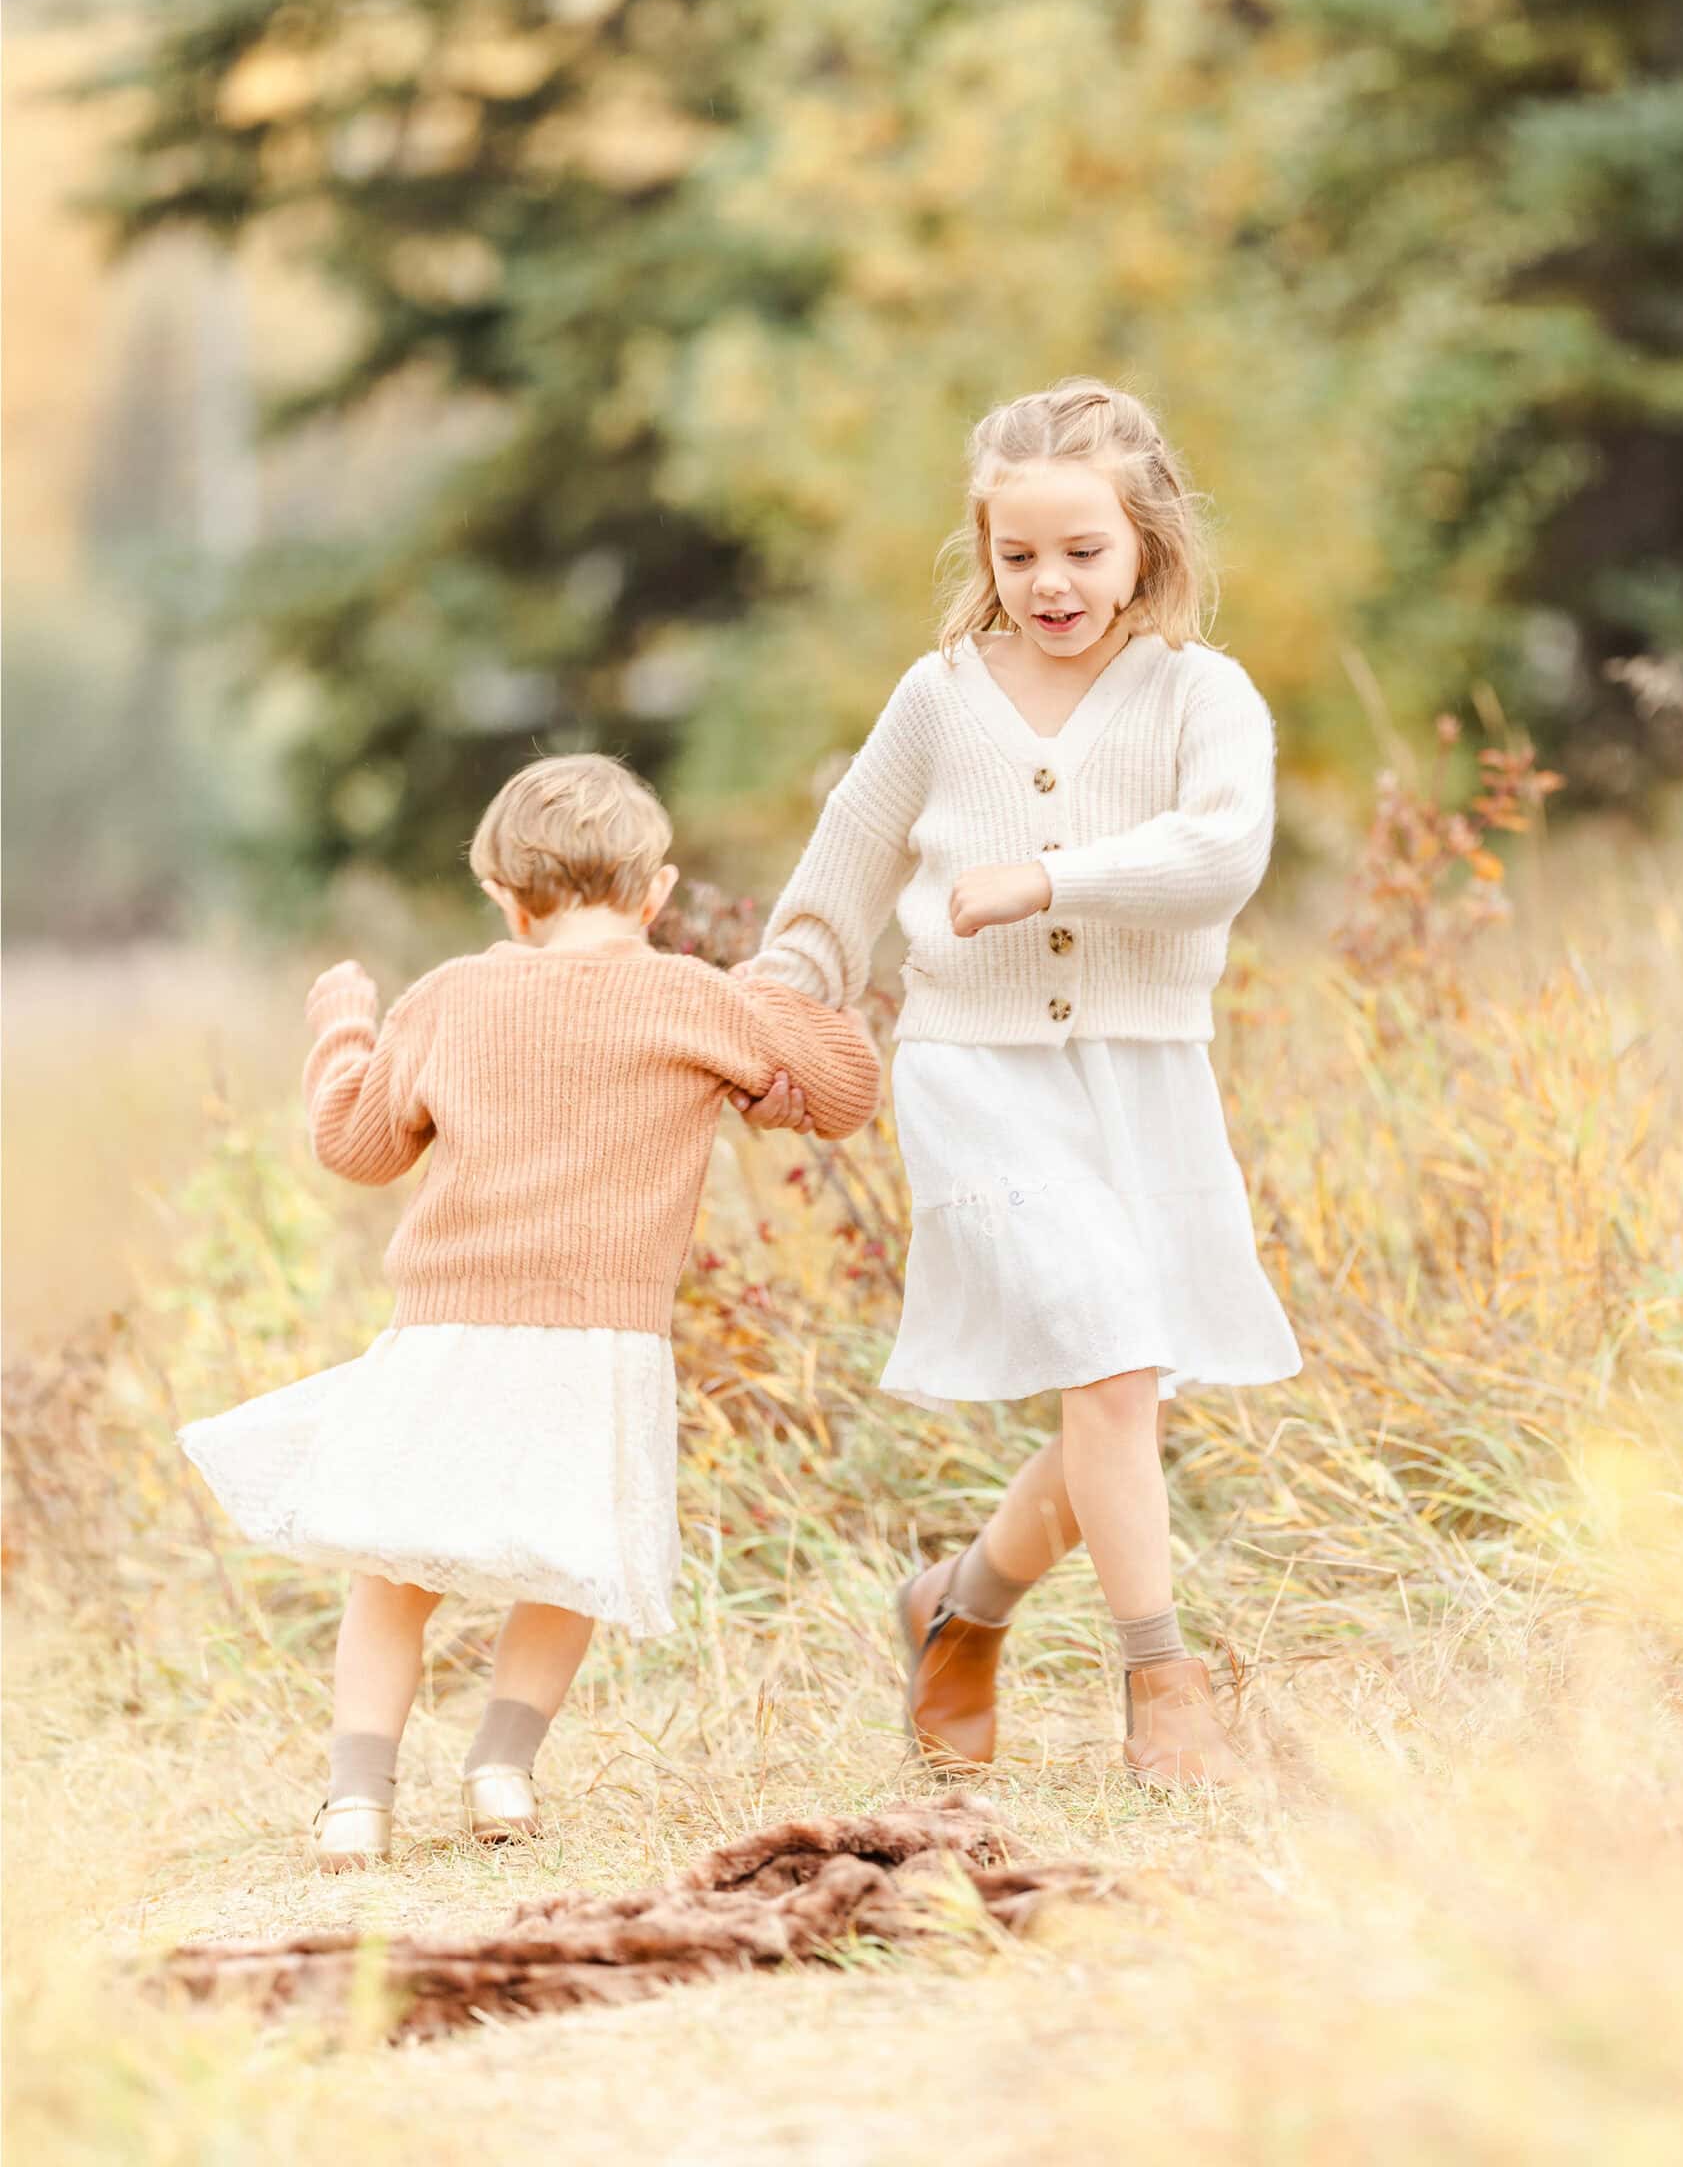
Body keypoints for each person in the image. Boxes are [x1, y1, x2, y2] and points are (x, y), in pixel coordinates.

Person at [729, 378, 1300, 1788]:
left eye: (1082, 552)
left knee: (1121, 1397)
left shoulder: (1202, 697)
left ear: (1146, 543)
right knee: (1112, 1364)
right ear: (984, 554)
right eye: (1018, 554)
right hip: (974, 1072)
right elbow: (839, 881)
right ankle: (1163, 1682)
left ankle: (957, 1609)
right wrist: (769, 1010)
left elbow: (1222, 858)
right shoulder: (939, 701)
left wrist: (1050, 878)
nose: (1050, 582)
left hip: (1146, 1076)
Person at [180, 754, 878, 1869]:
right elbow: (845, 1091)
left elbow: (355, 1146)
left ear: (503, 897)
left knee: (393, 1568)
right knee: (571, 1559)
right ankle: (501, 1772)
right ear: (655, 896)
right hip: (602, 1341)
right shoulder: (694, 999)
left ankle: (357, 1801)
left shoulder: (452, 996)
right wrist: (772, 1004)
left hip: (449, 1331)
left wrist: (345, 1031)